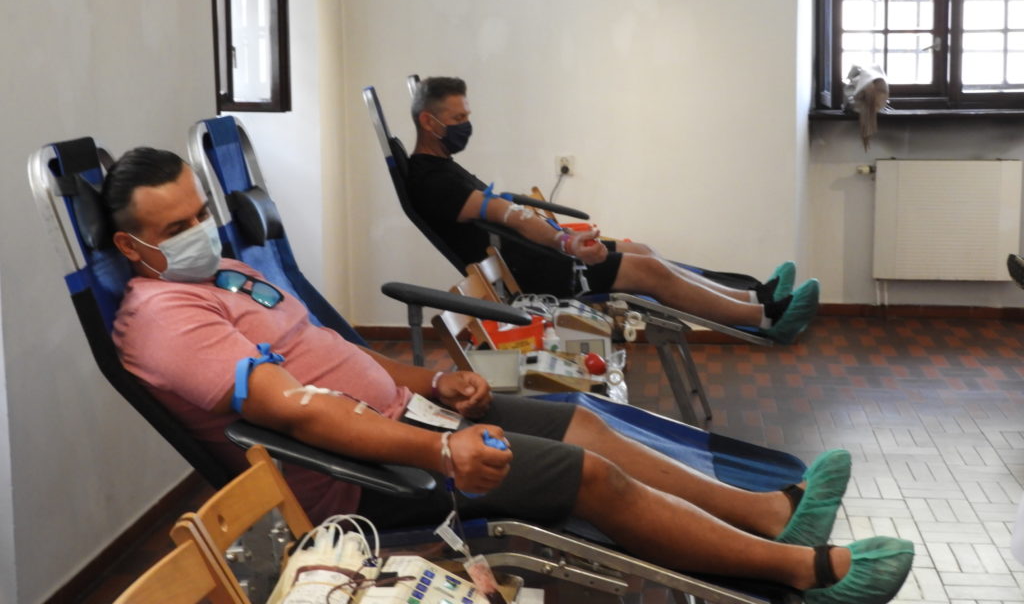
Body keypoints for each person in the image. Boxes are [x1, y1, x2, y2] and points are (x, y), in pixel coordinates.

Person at [103, 146, 913, 603]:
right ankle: (800, 574)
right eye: (175, 229)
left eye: (201, 215)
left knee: (583, 423)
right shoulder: (164, 318)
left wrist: (429, 384)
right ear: (130, 248)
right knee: (589, 475)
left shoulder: (230, 275)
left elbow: (334, 354)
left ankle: (770, 513)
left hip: (407, 419)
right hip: (366, 477)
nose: (200, 233)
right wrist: (438, 450)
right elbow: (302, 410)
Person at [407, 77, 819, 344]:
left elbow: (506, 214)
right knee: (649, 272)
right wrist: (566, 242)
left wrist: (562, 239)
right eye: (457, 117)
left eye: (467, 115)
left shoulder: (442, 167)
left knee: (641, 251)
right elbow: (509, 215)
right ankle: (765, 319)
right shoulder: (432, 180)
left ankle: (753, 296)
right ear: (429, 121)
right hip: (530, 276)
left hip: (531, 260)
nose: (466, 124)